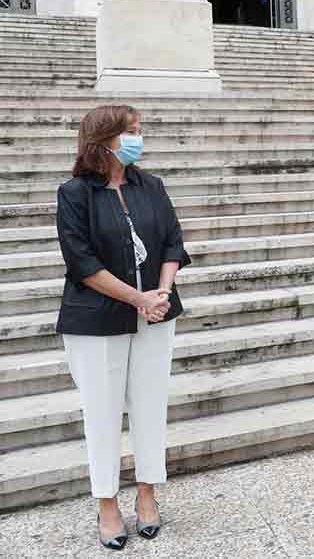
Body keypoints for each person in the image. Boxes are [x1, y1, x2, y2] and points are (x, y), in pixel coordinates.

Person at [56, 105, 190, 550]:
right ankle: (108, 504)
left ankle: (147, 496)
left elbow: (173, 241)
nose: (140, 137)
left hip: (155, 315)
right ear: (105, 139)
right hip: (95, 322)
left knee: (151, 407)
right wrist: (137, 298)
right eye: (131, 131)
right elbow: (82, 263)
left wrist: (161, 294)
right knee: (103, 414)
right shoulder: (74, 194)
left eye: (140, 129)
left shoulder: (151, 186)